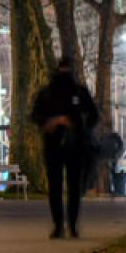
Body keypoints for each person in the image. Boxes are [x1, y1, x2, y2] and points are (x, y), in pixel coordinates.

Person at [31, 57, 99, 238]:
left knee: (70, 186)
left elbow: (92, 116)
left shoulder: (76, 93)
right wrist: (50, 123)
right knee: (59, 186)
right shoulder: (49, 94)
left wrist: (78, 126)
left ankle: (68, 223)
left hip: (73, 143)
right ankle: (61, 224)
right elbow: (36, 116)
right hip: (55, 143)